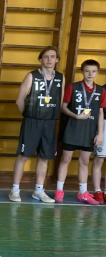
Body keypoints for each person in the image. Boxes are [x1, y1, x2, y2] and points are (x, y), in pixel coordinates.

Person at [9, 46, 63, 203]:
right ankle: (15, 190)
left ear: (57, 59)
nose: (49, 59)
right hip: (32, 121)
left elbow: (59, 102)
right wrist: (29, 115)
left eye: (52, 56)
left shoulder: (60, 77)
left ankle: (39, 190)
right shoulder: (32, 76)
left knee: (45, 157)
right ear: (40, 59)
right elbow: (19, 100)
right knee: (23, 156)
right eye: (46, 56)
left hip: (50, 122)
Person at [54, 60, 105, 204]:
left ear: (97, 73)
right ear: (82, 72)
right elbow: (63, 107)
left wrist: (100, 133)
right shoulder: (74, 87)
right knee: (65, 159)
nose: (90, 74)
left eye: (93, 71)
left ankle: (83, 193)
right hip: (73, 128)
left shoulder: (101, 90)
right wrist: (76, 116)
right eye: (87, 71)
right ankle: (59, 190)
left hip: (89, 131)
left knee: (84, 161)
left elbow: (101, 112)